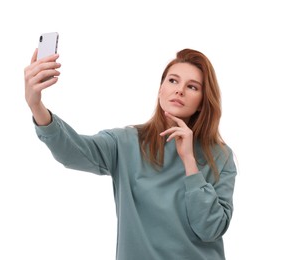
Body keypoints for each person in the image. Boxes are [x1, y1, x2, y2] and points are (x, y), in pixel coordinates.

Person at [24, 48, 237, 260]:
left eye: (192, 86)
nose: (179, 90)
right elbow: (72, 152)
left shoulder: (220, 156)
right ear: (160, 89)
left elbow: (211, 229)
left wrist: (190, 162)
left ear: (202, 102)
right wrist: (36, 105)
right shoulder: (126, 143)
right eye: (173, 81)